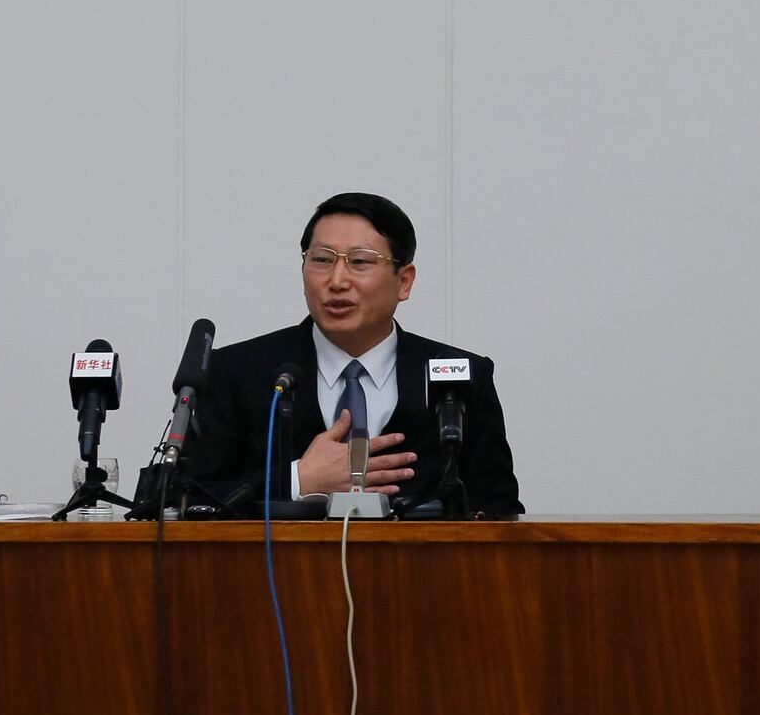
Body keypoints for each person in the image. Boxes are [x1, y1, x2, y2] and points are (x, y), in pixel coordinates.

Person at [185, 191, 524, 517]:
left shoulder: (463, 376)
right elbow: (187, 499)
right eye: (321, 260)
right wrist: (296, 480)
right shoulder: (236, 372)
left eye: (360, 261)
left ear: (404, 281)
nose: (336, 280)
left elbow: (498, 510)